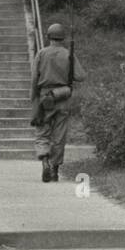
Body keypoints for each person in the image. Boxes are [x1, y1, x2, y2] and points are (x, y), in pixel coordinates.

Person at [31, 22, 84, 182]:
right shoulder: (68, 54)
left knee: (42, 133)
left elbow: (34, 79)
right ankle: (54, 170)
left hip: (44, 98)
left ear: (48, 37)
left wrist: (34, 100)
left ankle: (45, 161)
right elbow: (81, 76)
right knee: (59, 136)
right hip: (63, 97)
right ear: (63, 38)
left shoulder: (41, 53)